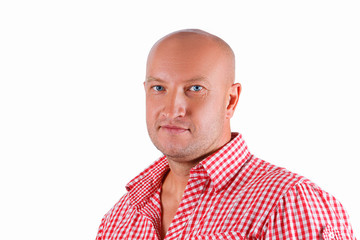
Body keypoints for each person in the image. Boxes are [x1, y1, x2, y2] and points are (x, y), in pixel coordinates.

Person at [96, 29, 355, 239]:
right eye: (159, 88)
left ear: (231, 100)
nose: (172, 109)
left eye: (195, 88)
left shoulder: (288, 202)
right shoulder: (119, 218)